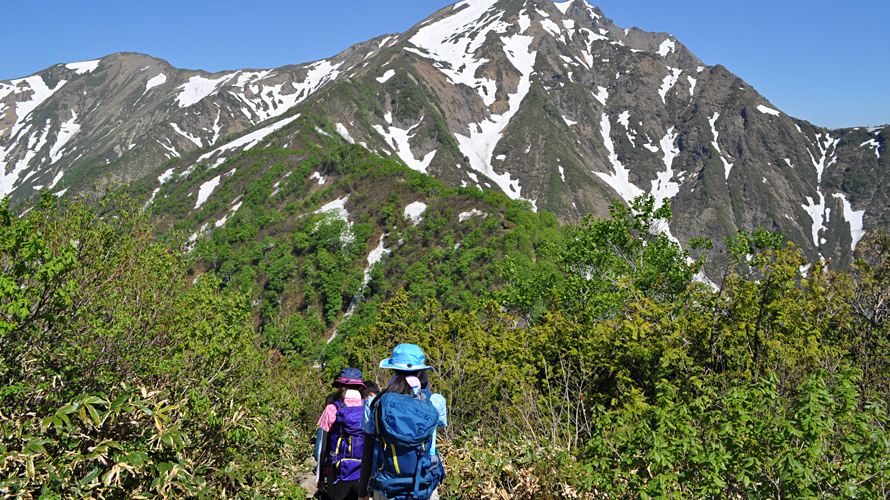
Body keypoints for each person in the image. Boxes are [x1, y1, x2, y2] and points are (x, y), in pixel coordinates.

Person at [358, 344, 447, 500]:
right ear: (422, 372)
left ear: (393, 370)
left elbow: (368, 450)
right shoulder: (436, 402)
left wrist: (363, 492)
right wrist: (423, 386)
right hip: (423, 485)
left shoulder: (374, 404)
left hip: (387, 486)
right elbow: (438, 424)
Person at [315, 367, 367, 500]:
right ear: (360, 388)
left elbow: (322, 447)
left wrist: (320, 477)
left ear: (340, 387)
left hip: (339, 470)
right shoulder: (368, 408)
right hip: (364, 469)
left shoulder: (332, 408)